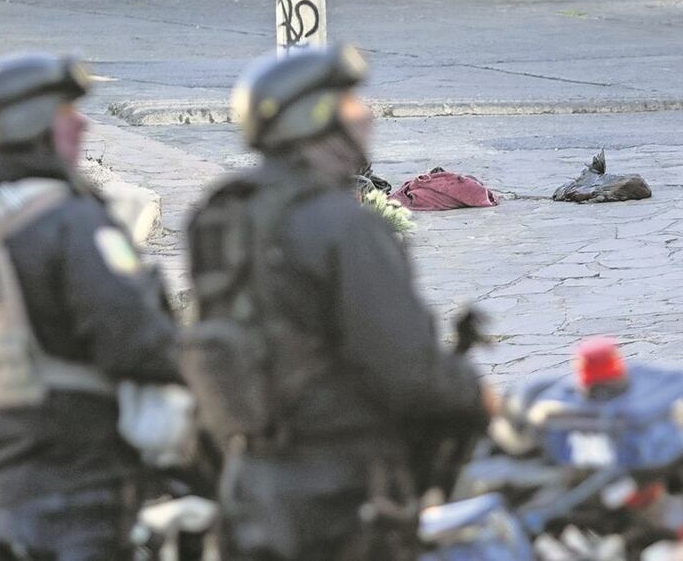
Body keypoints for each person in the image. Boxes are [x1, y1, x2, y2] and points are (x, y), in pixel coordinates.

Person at [182, 44, 494, 560]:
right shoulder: (345, 226)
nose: (365, 115)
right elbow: (404, 365)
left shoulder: (219, 214)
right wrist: (481, 400)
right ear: (316, 118)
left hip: (250, 483)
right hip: (342, 493)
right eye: (350, 103)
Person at [0, 53, 182, 560]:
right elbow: (142, 343)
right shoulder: (68, 223)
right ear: (33, 128)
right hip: (78, 495)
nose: (83, 122)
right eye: (67, 113)